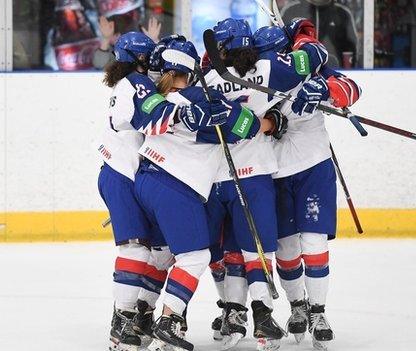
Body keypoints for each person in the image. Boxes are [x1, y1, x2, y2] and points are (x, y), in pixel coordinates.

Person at [202, 18, 330, 350]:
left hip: (214, 178)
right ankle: (260, 313)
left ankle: (231, 311)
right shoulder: (268, 69)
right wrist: (271, 121)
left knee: (219, 251)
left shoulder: (207, 79)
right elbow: (315, 55)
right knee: (257, 250)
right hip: (257, 174)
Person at [133, 39, 265, 351]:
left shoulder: (153, 97)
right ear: (190, 70)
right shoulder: (203, 96)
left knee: (164, 253)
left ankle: (138, 314)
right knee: (195, 256)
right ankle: (168, 319)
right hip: (176, 186)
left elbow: (144, 119)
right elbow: (249, 126)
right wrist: (226, 113)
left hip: (145, 182)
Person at [264, 19, 361, 350]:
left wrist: (326, 89)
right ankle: (297, 307)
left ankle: (318, 311)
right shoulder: (260, 73)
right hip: (275, 171)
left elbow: (351, 88)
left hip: (314, 167)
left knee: (315, 242)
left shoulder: (310, 63)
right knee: (287, 248)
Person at [97, 31, 166, 351]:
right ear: (140, 61)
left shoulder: (128, 83)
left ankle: (142, 310)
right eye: (149, 58)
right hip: (121, 177)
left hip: (131, 177)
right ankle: (122, 319)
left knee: (163, 250)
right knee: (136, 250)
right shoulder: (135, 84)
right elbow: (138, 121)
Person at [280, 0, 360, 67]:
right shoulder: (291, 11)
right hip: (298, 72)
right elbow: (278, 43)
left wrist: (350, 70)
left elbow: (352, 48)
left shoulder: (342, 13)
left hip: (333, 73)